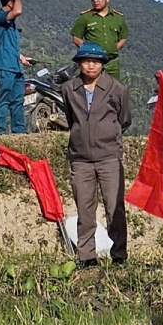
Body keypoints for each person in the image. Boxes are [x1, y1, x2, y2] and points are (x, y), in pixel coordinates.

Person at [63, 42, 132, 266]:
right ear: (79, 64)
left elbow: (124, 119)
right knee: (84, 209)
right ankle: (86, 256)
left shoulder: (116, 88)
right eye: (86, 61)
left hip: (109, 157)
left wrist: (107, 134)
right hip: (80, 158)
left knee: (114, 208)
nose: (90, 66)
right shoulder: (69, 89)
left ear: (102, 64)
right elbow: (71, 117)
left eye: (95, 62)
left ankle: (119, 255)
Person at [0, 0, 33, 135]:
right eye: (15, 1)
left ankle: (19, 130)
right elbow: (18, 11)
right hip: (3, 66)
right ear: (10, 3)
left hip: (15, 66)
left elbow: (8, 44)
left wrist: (22, 58)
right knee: (4, 99)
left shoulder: (11, 25)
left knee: (17, 100)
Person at [70, 0, 130, 78]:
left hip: (112, 63)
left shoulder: (118, 18)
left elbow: (123, 38)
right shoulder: (85, 17)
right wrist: (89, 50)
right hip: (93, 63)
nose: (96, 1)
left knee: (115, 90)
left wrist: (114, 49)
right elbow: (76, 38)